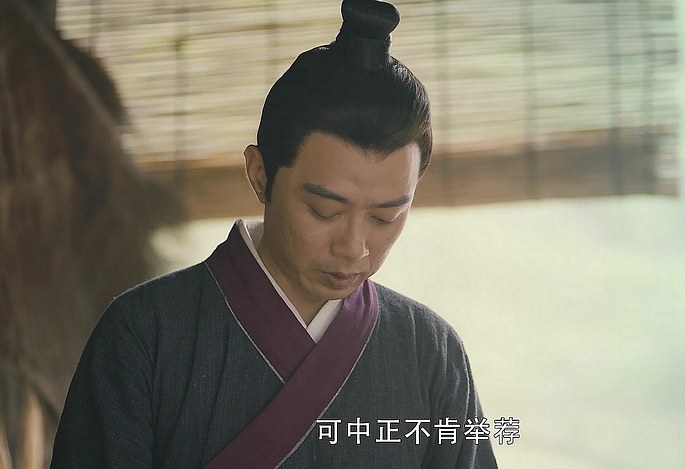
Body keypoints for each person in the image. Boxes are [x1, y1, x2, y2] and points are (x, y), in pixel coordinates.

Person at [50, 0, 498, 468]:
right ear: (260, 174)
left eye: (385, 217)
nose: (354, 248)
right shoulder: (143, 335)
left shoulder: (432, 352)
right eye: (324, 211)